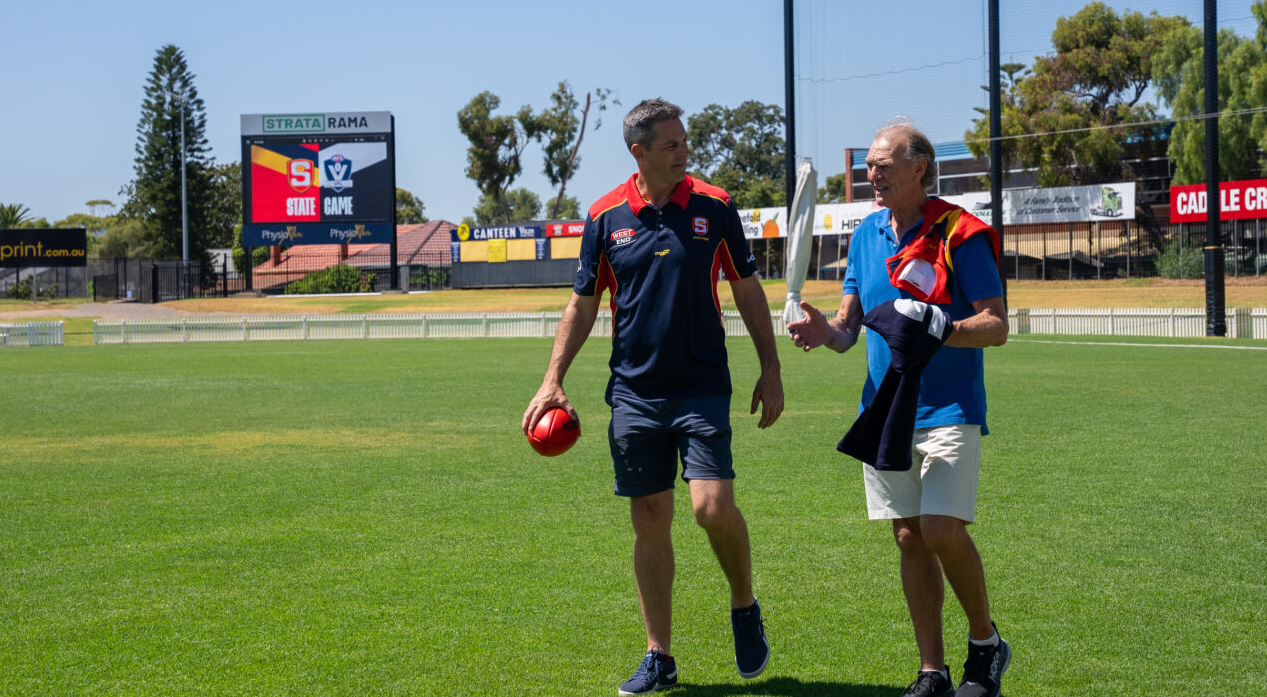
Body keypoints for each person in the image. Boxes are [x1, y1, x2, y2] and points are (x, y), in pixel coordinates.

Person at [522, 98, 784, 696]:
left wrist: (770, 369)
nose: (683, 152)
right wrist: (552, 378)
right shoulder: (604, 216)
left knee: (711, 509)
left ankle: (743, 604)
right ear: (637, 151)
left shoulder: (715, 207)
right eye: (671, 144)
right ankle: (658, 655)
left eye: (684, 141)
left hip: (701, 388)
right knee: (650, 523)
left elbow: (747, 288)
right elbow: (583, 303)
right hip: (635, 395)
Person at [787, 120, 1011, 697]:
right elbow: (848, 327)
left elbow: (996, 325)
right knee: (909, 536)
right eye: (869, 165)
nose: (872, 173)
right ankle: (932, 670)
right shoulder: (865, 235)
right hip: (885, 410)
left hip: (949, 407)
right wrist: (823, 332)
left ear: (919, 167)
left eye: (884, 163)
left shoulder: (961, 232)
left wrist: (942, 327)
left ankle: (985, 645)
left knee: (940, 529)